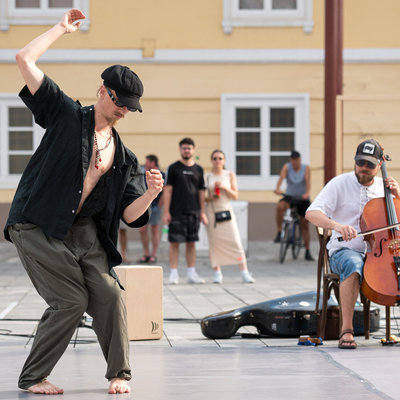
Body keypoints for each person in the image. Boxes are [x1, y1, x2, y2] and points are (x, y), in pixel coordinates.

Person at [4, 9, 164, 395]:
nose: (124, 110)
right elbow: (24, 59)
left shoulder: (124, 156)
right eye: (119, 102)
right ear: (103, 91)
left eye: (130, 107)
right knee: (71, 300)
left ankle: (118, 374)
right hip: (37, 225)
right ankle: (32, 377)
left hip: (84, 232)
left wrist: (151, 194)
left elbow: (128, 214)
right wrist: (60, 28)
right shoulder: (65, 114)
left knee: (110, 294)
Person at [306, 139, 400, 349]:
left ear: (379, 165)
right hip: (343, 251)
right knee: (353, 264)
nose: (364, 169)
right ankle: (346, 330)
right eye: (360, 163)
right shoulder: (339, 183)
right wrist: (337, 226)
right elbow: (311, 213)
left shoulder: (384, 188)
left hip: (376, 252)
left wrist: (398, 196)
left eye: (370, 165)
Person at [204, 150, 255, 283]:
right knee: (214, 244)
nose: (217, 161)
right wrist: (212, 197)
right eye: (215, 158)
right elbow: (203, 197)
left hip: (226, 210)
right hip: (212, 212)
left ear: (224, 160)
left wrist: (224, 189)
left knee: (235, 242)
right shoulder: (207, 177)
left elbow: (235, 195)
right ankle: (217, 273)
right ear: (211, 160)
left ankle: (244, 272)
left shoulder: (229, 175)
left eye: (220, 158)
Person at [163, 138, 208, 284]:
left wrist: (202, 212)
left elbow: (202, 192)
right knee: (174, 243)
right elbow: (168, 190)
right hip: (176, 212)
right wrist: (166, 212)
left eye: (189, 148)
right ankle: (174, 274)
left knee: (191, 243)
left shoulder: (199, 169)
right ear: (180, 150)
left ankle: (191, 273)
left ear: (193, 150)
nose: (186, 150)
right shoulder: (173, 168)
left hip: (194, 212)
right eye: (184, 148)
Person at [274, 150, 314, 261]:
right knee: (280, 207)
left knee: (304, 224)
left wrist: (307, 193)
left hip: (302, 198)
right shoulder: (287, 167)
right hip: (290, 196)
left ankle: (307, 250)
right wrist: (277, 188)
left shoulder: (305, 168)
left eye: (297, 160)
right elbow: (281, 177)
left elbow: (307, 180)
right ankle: (279, 232)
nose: (295, 162)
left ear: (300, 160)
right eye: (293, 160)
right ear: (290, 161)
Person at [136, 154, 165, 264]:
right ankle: (146, 253)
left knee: (154, 230)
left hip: (156, 206)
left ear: (153, 162)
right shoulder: (144, 174)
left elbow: (165, 190)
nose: (145, 163)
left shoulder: (161, 174)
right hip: (144, 207)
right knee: (142, 230)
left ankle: (154, 254)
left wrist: (160, 205)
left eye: (147, 161)